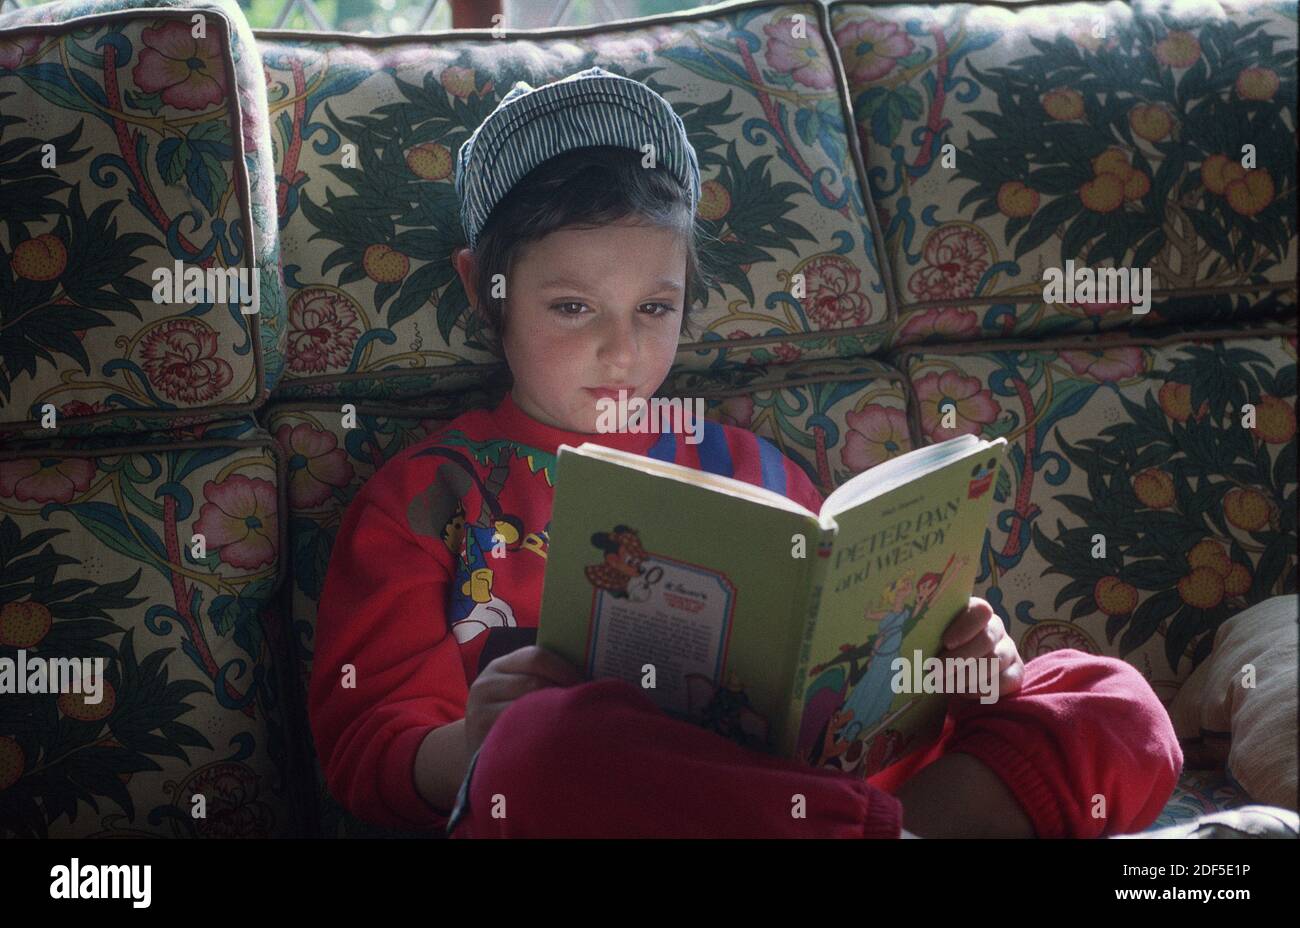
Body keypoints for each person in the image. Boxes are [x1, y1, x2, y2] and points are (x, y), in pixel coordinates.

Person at [307, 67, 1183, 839]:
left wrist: (961, 673)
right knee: (545, 747)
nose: (621, 352)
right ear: (480, 289)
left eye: (655, 309)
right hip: (599, 800)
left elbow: (843, 682)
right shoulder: (426, 498)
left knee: (1106, 696)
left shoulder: (752, 471)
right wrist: (467, 745)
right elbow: (367, 753)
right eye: (573, 308)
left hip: (814, 794)